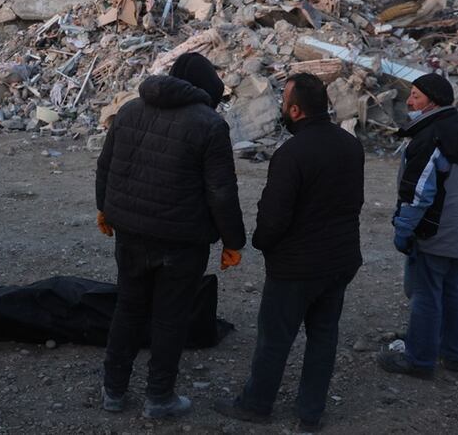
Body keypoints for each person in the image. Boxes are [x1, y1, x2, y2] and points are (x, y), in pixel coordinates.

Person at [96, 52, 246, 419]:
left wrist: (105, 208)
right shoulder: (210, 124)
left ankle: (113, 391)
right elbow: (221, 192)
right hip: (182, 243)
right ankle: (159, 397)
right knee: (169, 317)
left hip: (130, 234)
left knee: (128, 308)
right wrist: (233, 240)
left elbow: (106, 165)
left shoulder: (130, 110)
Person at [213, 74, 364, 432]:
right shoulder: (350, 144)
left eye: (284, 102)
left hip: (297, 266)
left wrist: (263, 242)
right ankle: (311, 412)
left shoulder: (292, 154)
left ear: (295, 110)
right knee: (324, 335)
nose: (281, 107)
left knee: (275, 338)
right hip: (340, 259)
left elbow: (274, 216)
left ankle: (256, 403)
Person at [379, 73, 458, 380]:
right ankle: (453, 354)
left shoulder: (430, 137)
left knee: (426, 294)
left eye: (415, 95)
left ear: (433, 101)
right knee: (455, 290)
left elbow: (418, 193)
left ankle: (420, 359)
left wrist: (403, 230)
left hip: (435, 231)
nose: (409, 101)